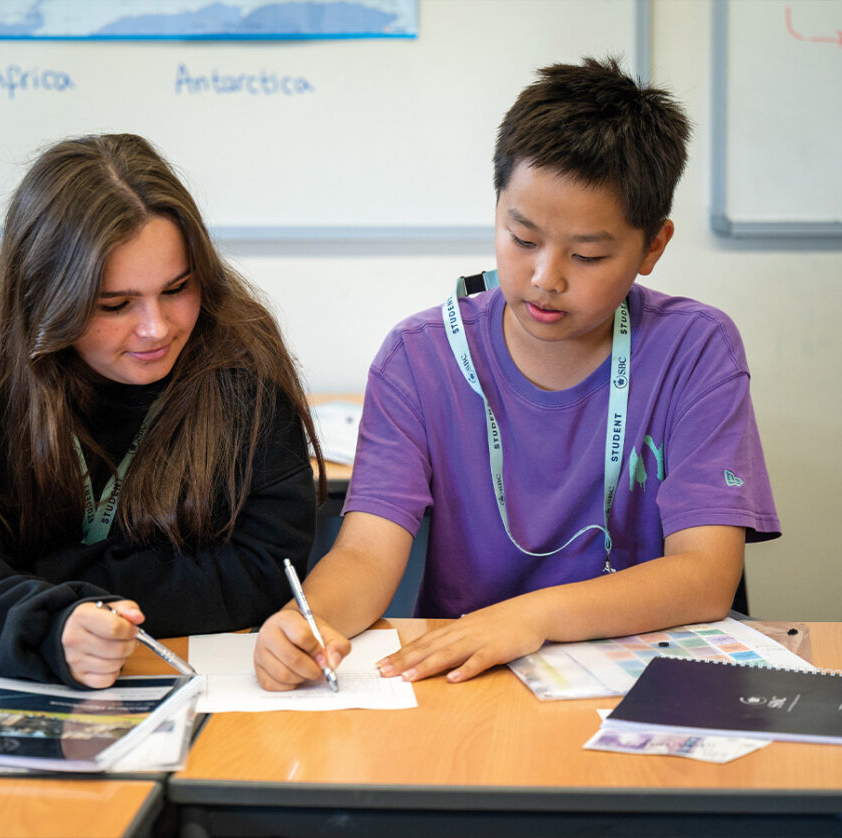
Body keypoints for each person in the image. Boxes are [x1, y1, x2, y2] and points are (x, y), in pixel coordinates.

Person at [254, 57, 780, 691]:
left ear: (653, 247)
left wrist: (532, 617)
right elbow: (366, 552)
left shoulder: (694, 350)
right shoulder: (419, 359)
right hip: (466, 681)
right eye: (522, 238)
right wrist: (304, 623)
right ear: (498, 207)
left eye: (587, 255)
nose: (545, 278)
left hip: (633, 679)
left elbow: (704, 575)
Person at [0, 133, 325, 688]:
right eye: (114, 305)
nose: (157, 328)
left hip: (189, 669)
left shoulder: (240, 364)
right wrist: (52, 624)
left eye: (177, 289)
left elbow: (263, 568)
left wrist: (34, 581)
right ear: (43, 294)